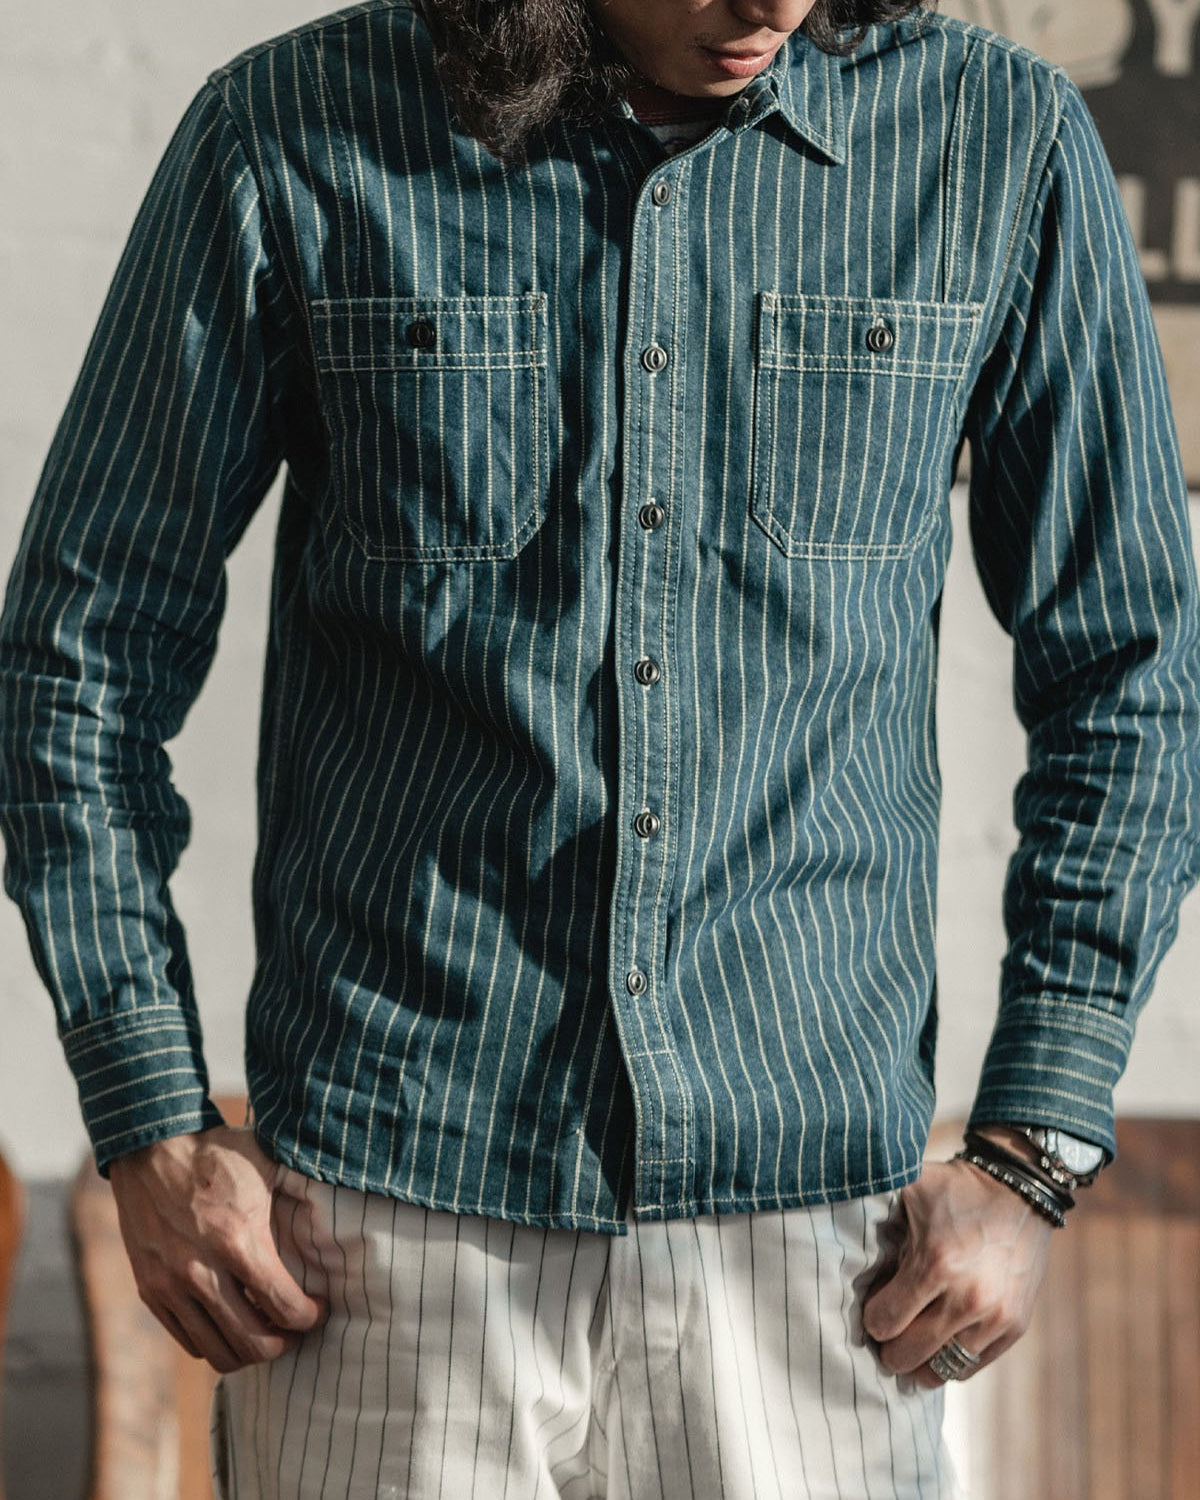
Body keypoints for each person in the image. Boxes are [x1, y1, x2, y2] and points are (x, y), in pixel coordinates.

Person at [1, 0, 1197, 1495]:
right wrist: (150, 1121)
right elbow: (81, 657)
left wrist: (1034, 1148)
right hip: (383, 1235)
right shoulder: (294, 131)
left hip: (820, 1255)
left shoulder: (995, 144)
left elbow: (1131, 672)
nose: (769, 5)